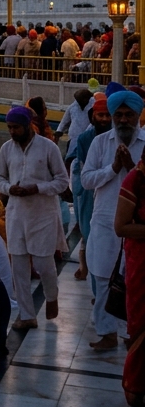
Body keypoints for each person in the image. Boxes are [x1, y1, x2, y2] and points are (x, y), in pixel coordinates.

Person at [80, 88, 145, 351]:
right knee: (103, 278)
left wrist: (132, 168)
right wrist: (113, 169)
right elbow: (86, 180)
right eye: (118, 115)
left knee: (137, 282)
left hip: (137, 223)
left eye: (129, 114)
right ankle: (106, 333)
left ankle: (136, 333)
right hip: (106, 220)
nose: (123, 120)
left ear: (138, 116)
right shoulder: (100, 142)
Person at [0, 105, 68, 329]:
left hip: (42, 214)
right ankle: (27, 316)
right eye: (9, 128)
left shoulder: (48, 148)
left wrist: (38, 188)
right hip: (16, 214)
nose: (12, 132)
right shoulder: (7, 149)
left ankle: (51, 297)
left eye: (16, 127)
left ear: (28, 126)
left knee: (45, 263)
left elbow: (62, 181)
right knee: (19, 266)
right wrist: (8, 188)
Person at [70, 92, 111, 283]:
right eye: (100, 115)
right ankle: (94, 281)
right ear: (93, 116)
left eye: (107, 115)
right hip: (89, 193)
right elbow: (84, 169)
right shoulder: (85, 139)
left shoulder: (118, 137)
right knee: (89, 236)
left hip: (110, 195)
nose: (104, 119)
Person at [116, 156, 145, 407]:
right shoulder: (136, 179)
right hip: (141, 264)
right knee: (141, 325)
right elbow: (121, 227)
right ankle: (135, 386)